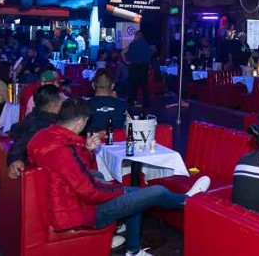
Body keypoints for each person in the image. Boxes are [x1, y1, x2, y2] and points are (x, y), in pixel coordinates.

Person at [27, 98, 211, 256]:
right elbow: (90, 191)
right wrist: (119, 190)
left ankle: (133, 250)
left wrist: (87, 149)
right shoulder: (63, 151)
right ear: (80, 123)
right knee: (156, 191)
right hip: (80, 213)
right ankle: (187, 201)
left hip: (67, 204)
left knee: (136, 195)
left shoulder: (44, 137)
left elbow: (74, 169)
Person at [7, 85, 63, 179]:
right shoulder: (42, 125)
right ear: (54, 107)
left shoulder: (33, 115)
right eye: (61, 101)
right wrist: (15, 159)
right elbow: (21, 143)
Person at [86, 69, 128, 133]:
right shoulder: (124, 106)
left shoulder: (84, 106)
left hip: (91, 139)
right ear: (112, 86)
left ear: (93, 85)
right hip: (117, 139)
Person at [123, 31, 152, 108]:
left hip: (134, 67)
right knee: (144, 86)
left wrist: (126, 62)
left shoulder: (133, 45)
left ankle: (131, 102)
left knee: (133, 86)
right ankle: (146, 103)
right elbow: (150, 57)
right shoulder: (147, 45)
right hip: (144, 67)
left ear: (136, 36)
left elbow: (128, 55)